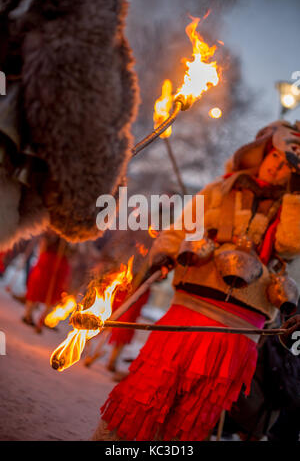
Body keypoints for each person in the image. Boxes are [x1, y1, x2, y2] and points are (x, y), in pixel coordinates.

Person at [93, 120, 300, 441]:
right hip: (190, 309)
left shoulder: (293, 206)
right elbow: (182, 228)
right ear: (262, 152)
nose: (278, 166)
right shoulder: (222, 187)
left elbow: (289, 244)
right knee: (145, 394)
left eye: (288, 164)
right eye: (274, 155)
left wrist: (296, 195)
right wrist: (164, 253)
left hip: (241, 328)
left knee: (193, 417)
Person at [23, 232, 71, 330]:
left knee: (56, 292)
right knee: (38, 287)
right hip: (48, 259)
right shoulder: (54, 228)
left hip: (61, 262)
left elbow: (79, 249)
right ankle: (28, 315)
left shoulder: (77, 230)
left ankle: (45, 318)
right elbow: (44, 241)